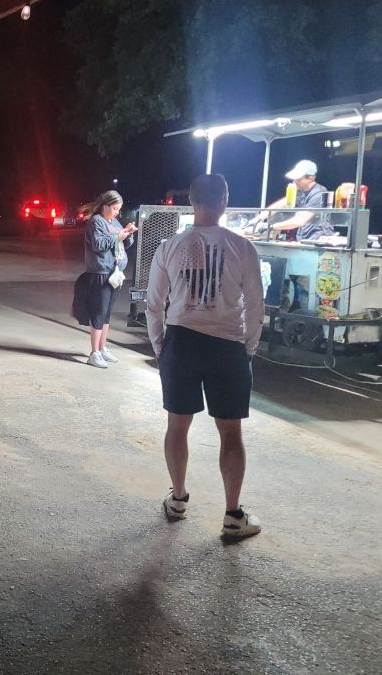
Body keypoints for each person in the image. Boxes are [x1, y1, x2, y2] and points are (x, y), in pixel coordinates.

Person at [146, 173, 265, 539]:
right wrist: (248, 348)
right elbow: (256, 306)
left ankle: (178, 500)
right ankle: (233, 515)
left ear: (191, 201)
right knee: (230, 432)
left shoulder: (170, 246)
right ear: (224, 201)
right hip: (227, 346)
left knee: (177, 425)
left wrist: (161, 347)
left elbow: (154, 304)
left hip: (181, 342)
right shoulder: (242, 247)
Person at [72, 190, 136, 368]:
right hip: (100, 272)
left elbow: (123, 244)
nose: (116, 213)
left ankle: (102, 348)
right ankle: (94, 353)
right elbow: (98, 245)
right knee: (98, 312)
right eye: (114, 208)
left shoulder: (113, 222)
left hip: (115, 274)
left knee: (107, 313)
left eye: (119, 210)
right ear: (105, 206)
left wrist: (128, 234)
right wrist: (117, 237)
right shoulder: (96, 221)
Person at [256, 159, 334, 241]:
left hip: (319, 240)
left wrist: (270, 227)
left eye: (298, 179)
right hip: (305, 239)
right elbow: (281, 204)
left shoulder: (319, 193)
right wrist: (257, 219)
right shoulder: (300, 191)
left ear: (311, 178)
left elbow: (300, 221)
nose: (294, 182)